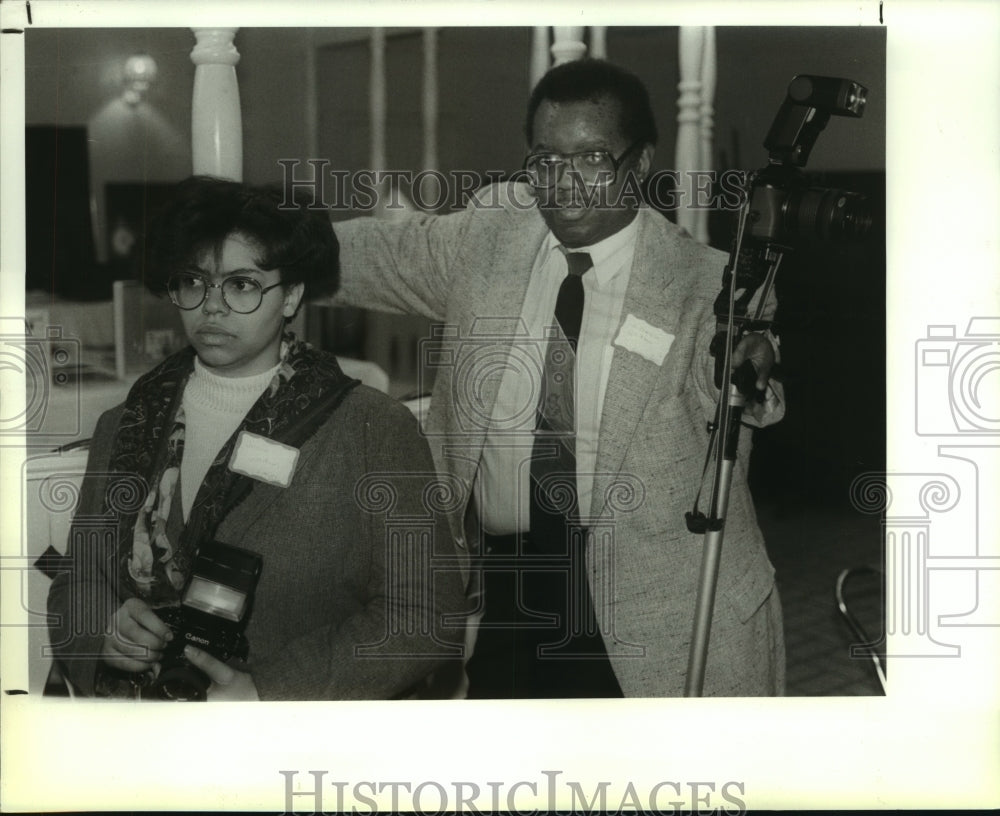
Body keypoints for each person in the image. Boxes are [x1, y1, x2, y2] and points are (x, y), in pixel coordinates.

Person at [327, 58, 785, 697]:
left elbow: (750, 385)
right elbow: (374, 256)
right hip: (516, 586)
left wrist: (751, 370)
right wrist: (253, 244)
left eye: (592, 159)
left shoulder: (703, 283)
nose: (565, 184)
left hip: (662, 603)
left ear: (640, 161)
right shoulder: (491, 239)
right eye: (546, 161)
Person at [47, 176, 467, 701]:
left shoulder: (372, 430)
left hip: (299, 751)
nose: (212, 307)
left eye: (242, 284)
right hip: (143, 737)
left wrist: (269, 691)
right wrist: (102, 633)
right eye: (194, 282)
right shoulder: (127, 424)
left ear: (291, 296)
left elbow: (425, 617)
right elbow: (76, 584)